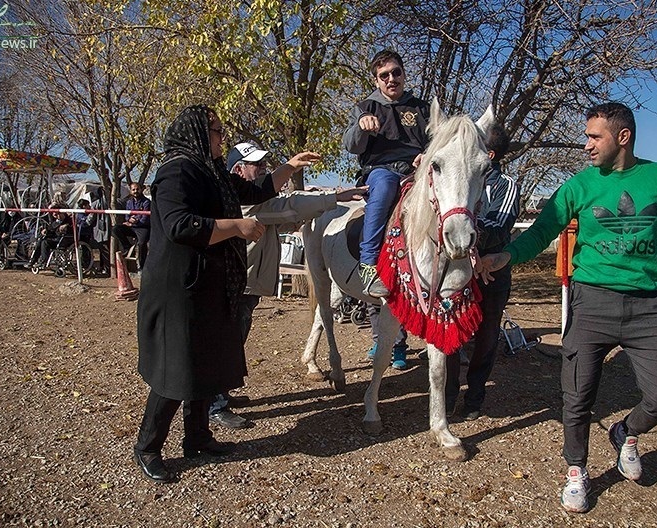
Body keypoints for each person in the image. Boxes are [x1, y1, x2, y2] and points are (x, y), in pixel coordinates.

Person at [480, 102, 657, 513]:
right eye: (587, 136)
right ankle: (576, 470)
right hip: (591, 302)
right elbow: (543, 230)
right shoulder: (579, 186)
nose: (586, 145)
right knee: (577, 396)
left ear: (623, 137)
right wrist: (505, 256)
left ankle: (625, 432)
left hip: (647, 307)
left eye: (594, 136)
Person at [133, 105, 288, 484]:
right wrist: (235, 226)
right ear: (198, 134)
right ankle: (148, 446)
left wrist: (291, 166)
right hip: (178, 289)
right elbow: (178, 225)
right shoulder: (177, 170)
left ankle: (198, 437)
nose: (223, 137)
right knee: (176, 369)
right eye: (217, 130)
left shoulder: (213, 170)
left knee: (205, 363)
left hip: (208, 284)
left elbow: (256, 190)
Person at [207, 142, 364, 429]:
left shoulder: (249, 200)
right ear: (238, 170)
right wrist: (334, 197)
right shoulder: (245, 201)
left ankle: (219, 395)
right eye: (257, 165)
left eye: (265, 163)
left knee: (232, 341)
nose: (264, 169)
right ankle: (213, 404)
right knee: (226, 342)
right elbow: (288, 206)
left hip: (245, 284)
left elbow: (280, 217)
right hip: (235, 285)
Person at [444, 123, 519, 420]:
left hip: (492, 273)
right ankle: (448, 397)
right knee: (450, 333)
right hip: (458, 271)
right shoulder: (459, 178)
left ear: (488, 154)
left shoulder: (507, 185)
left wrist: (471, 241)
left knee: (487, 337)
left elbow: (499, 225)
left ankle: (474, 396)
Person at [343, 49, 430, 298]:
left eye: (396, 72)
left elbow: (437, 140)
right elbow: (350, 145)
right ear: (376, 80)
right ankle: (369, 264)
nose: (391, 79)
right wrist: (361, 127)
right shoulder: (365, 107)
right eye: (384, 75)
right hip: (382, 171)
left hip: (417, 171)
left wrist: (428, 155)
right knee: (383, 188)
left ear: (403, 74)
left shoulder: (421, 108)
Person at [112, 183, 151, 270]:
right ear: (130, 191)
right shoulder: (129, 202)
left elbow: (144, 219)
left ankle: (142, 266)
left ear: (141, 189)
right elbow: (127, 216)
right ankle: (127, 247)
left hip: (143, 227)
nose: (135, 191)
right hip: (132, 227)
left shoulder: (146, 202)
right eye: (133, 190)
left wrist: (135, 221)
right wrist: (130, 220)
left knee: (142, 243)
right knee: (116, 229)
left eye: (137, 189)